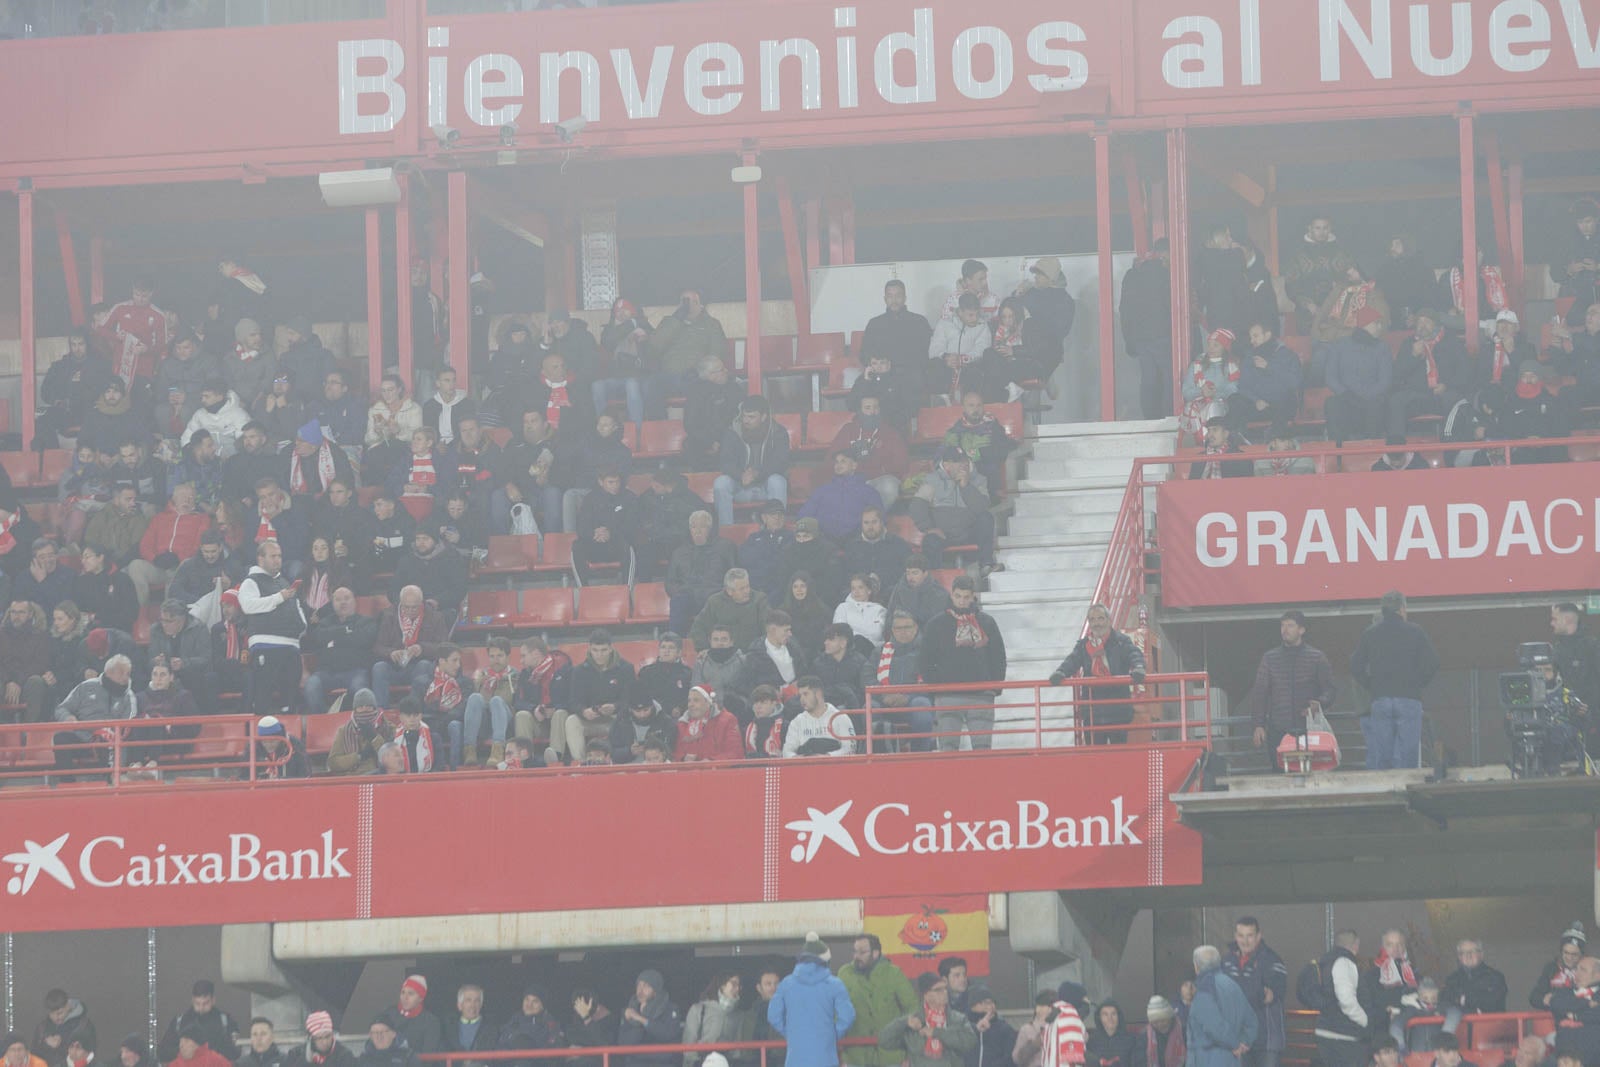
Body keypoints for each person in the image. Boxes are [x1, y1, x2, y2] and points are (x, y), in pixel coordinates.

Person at [1352, 590, 1440, 770]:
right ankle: (1408, 789)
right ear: (1402, 609)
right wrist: (1417, 684)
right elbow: (1433, 662)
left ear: (1383, 609)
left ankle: (1385, 790)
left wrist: (1371, 685)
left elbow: (1355, 666)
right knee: (1408, 754)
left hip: (1380, 699)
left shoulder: (1370, 633)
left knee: (1383, 755)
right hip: (1409, 698)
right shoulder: (1416, 631)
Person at [1237, 609, 1338, 757]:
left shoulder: (1317, 657)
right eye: (1282, 625)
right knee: (1279, 775)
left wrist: (1319, 703)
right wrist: (1258, 725)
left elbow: (1330, 690)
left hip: (1309, 728)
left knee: (1311, 774)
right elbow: (1260, 694)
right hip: (1278, 730)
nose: (1285, 630)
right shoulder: (1270, 658)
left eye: (1290, 625)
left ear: (1302, 630)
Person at [922, 577, 1006, 751]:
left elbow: (998, 657)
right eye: (958, 596)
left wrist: (994, 687)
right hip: (948, 694)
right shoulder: (936, 624)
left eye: (966, 597)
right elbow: (925, 659)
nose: (961, 601)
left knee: (982, 747)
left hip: (980, 693)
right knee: (948, 747)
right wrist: (936, 688)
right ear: (951, 594)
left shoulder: (987, 622)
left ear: (973, 596)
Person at [1048, 603, 1148, 746]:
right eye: (1093, 620)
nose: (1097, 623)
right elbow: (1072, 660)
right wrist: (1061, 672)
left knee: (1118, 760)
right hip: (1093, 712)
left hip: (1117, 711)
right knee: (1094, 760)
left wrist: (1139, 668)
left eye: (1100, 618)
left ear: (1108, 620)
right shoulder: (1084, 645)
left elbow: (1134, 654)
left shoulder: (1121, 641)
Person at [237, 540, 308, 715]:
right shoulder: (250, 581)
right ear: (260, 559)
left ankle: (290, 737)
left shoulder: (284, 582)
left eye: (280, 556)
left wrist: (302, 626)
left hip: (291, 647)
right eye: (273, 556)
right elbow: (248, 606)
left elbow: (296, 607)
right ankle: (260, 739)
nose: (278, 560)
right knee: (263, 699)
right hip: (266, 646)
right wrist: (278, 598)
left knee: (290, 701)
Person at [1387, 309, 1475, 440]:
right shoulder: (1409, 343)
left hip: (1444, 394)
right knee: (1396, 401)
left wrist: (1447, 385)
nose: (1422, 326)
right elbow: (1396, 375)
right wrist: (1413, 356)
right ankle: (1397, 450)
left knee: (1459, 402)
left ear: (1436, 324)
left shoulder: (1451, 342)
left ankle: (1450, 449)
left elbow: (1465, 372)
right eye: (1419, 322)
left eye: (1427, 322)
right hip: (1417, 396)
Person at [553, 629, 634, 766]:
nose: (599, 654)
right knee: (572, 720)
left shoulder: (626, 668)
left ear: (610, 649)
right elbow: (573, 701)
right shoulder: (579, 671)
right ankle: (580, 762)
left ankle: (615, 760)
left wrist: (615, 707)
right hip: (590, 719)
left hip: (616, 719)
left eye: (603, 650)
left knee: (628, 718)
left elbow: (631, 699)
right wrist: (583, 711)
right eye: (595, 650)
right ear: (589, 649)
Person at [909, 447, 995, 572]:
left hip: (969, 532)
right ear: (946, 465)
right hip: (944, 534)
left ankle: (986, 565)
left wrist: (966, 487)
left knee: (986, 518)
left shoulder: (979, 479)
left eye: (965, 460)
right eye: (958, 462)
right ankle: (933, 580)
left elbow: (981, 508)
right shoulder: (932, 480)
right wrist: (929, 528)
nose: (963, 464)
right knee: (930, 540)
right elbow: (917, 506)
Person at [647, 288, 728, 419]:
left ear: (700, 305)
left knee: (701, 390)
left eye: (692, 302)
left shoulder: (711, 324)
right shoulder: (668, 322)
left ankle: (697, 429)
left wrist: (702, 372)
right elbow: (653, 349)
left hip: (696, 376)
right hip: (669, 376)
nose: (688, 305)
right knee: (651, 385)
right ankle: (658, 428)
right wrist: (675, 321)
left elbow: (717, 353)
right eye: (684, 302)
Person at [838, 934, 915, 1067]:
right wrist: (842, 1056)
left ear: (875, 953)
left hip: (891, 1057)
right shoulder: (844, 974)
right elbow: (836, 1014)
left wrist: (909, 1055)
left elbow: (913, 1010)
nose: (857, 956)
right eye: (855, 951)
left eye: (862, 952)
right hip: (855, 1058)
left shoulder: (894, 973)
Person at [714, 396, 792, 527]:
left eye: (751, 417)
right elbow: (725, 462)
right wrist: (741, 475)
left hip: (766, 487)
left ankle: (776, 529)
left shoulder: (778, 432)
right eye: (744, 416)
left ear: (763, 417)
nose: (746, 421)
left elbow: (780, 462)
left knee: (778, 481)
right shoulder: (732, 431)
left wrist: (757, 474)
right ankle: (726, 530)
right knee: (720, 483)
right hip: (741, 486)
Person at [1223, 918, 1287, 1067]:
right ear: (1235, 936)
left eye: (1250, 935)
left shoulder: (1272, 960)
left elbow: (1266, 995)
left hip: (1266, 1042)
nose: (1245, 941)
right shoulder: (1226, 961)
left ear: (1259, 936)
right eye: (1241, 935)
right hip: (1236, 1039)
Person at [371, 586, 449, 707]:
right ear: (400, 604)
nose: (410, 610)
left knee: (424, 665)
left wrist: (422, 648)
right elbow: (377, 647)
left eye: (415, 607)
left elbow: (444, 648)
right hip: (394, 666)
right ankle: (380, 713)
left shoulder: (435, 617)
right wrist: (391, 653)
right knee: (379, 668)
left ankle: (413, 711)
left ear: (421, 603)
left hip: (419, 666)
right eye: (406, 607)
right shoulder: (388, 616)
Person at [1323, 306, 1391, 445]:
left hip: (1372, 400)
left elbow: (1385, 380)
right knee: (1332, 404)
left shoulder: (1382, 347)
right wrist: (1345, 394)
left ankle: (1373, 448)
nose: (1379, 327)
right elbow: (1330, 377)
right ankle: (1338, 452)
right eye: (1376, 323)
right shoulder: (1339, 346)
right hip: (1346, 399)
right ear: (1365, 324)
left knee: (1378, 404)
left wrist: (1368, 395)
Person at [878, 972, 976, 1067]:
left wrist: (937, 1032)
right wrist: (904, 1023)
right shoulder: (914, 1020)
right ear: (926, 995)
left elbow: (970, 1043)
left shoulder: (958, 1019)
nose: (945, 992)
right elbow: (884, 1041)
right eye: (938, 990)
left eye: (945, 988)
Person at [667, 511, 738, 635]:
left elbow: (735, 574)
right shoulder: (679, 552)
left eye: (703, 526)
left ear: (710, 529)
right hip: (688, 595)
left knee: (718, 602)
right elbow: (670, 581)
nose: (698, 531)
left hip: (715, 595)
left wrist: (724, 592)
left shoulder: (725, 546)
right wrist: (679, 592)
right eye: (694, 527)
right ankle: (675, 642)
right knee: (678, 601)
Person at [1189, 944, 1259, 1067]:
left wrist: (1235, 1044)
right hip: (1233, 1060)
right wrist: (1244, 1042)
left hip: (1207, 1059)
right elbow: (1252, 1022)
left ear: (1196, 966)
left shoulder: (1205, 988)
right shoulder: (1232, 985)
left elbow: (1215, 1025)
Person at [941, 392, 1016, 498]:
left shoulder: (993, 427)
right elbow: (945, 457)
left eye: (979, 405)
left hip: (989, 483)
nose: (975, 409)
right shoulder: (955, 431)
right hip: (961, 482)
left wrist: (979, 453)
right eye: (971, 405)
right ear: (964, 408)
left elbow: (1001, 452)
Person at [512, 636, 573, 761]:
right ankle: (525, 759)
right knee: (522, 715)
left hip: (561, 722)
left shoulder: (564, 669)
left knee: (560, 714)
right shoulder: (525, 674)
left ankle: (555, 757)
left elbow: (574, 698)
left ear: (536, 654)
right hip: (539, 722)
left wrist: (554, 708)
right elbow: (518, 702)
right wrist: (535, 709)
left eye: (523, 656)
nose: (521, 661)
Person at [1234, 321, 1302, 431]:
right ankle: (1238, 441)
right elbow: (1242, 386)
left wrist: (1269, 367)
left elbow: (1295, 383)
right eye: (1250, 337)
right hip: (1257, 405)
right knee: (1236, 401)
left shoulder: (1287, 355)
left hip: (1281, 404)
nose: (1252, 341)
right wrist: (1256, 400)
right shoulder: (1249, 358)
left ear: (1267, 335)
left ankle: (1277, 440)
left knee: (1285, 400)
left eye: (1255, 336)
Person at [862, 280, 935, 379]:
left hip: (912, 377)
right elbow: (864, 353)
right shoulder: (875, 324)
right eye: (890, 296)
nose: (894, 300)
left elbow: (926, 353)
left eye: (898, 296)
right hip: (882, 376)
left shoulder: (919, 322)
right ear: (885, 299)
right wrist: (877, 366)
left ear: (905, 298)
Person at [928, 294, 993, 403]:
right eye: (970, 315)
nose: (975, 318)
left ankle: (970, 405)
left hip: (970, 366)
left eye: (977, 314)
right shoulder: (945, 323)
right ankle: (941, 403)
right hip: (947, 365)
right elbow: (934, 349)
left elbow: (983, 349)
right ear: (960, 312)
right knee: (934, 365)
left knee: (975, 372)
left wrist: (964, 359)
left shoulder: (982, 325)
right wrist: (946, 357)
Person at [1181, 330, 1242, 443]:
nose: (1211, 348)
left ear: (1224, 348)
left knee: (1213, 405)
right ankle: (1202, 442)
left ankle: (1211, 443)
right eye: (1209, 344)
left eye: (1216, 345)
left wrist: (1214, 394)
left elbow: (1233, 390)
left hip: (1222, 407)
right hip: (1198, 406)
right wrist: (1201, 392)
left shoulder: (1231, 366)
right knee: (1191, 408)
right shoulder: (1196, 365)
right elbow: (1186, 392)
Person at [690, 568, 770, 652]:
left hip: (752, 656)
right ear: (729, 591)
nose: (747, 591)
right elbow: (698, 628)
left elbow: (768, 629)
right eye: (742, 589)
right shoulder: (715, 602)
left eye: (747, 586)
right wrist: (704, 649)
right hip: (722, 656)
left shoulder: (759, 600)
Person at [0, 600, 53, 725]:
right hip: (3, 681)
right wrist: (8, 681)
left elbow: (40, 664)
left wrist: (18, 681)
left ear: (30, 614)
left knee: (36, 681)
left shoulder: (40, 636)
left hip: (26, 682)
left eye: (21, 612)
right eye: (13, 612)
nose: (16, 616)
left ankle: (28, 730)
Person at [156, 984, 238, 1065]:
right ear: (192, 1000)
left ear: (213, 1000)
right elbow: (162, 1052)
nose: (201, 1008)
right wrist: (185, 1050)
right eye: (197, 1003)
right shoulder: (180, 1022)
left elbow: (235, 1052)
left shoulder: (225, 1022)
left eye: (205, 1003)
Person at [617, 969, 684, 1067]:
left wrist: (642, 1019)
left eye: (646, 986)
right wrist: (638, 1019)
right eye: (638, 985)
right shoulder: (630, 1011)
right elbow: (623, 1043)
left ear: (656, 990)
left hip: (663, 1063)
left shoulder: (670, 1009)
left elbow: (667, 1035)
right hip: (635, 1063)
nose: (640, 991)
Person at [1439, 940, 1507, 1033]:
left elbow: (1493, 1002)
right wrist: (1473, 1004)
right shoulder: (1452, 979)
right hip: (1460, 1033)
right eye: (1463, 953)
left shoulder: (1494, 976)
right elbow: (1444, 1002)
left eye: (1472, 952)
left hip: (1489, 1030)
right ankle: (1445, 1043)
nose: (1468, 955)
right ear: (1459, 957)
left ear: (1481, 954)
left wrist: (1464, 1000)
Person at [682, 974, 748, 1066]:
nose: (737, 989)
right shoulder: (698, 1009)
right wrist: (697, 1062)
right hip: (700, 1061)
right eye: (734, 984)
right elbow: (688, 1043)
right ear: (721, 985)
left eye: (739, 986)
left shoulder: (738, 1015)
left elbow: (737, 1049)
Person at [783, 676, 856, 757]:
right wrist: (799, 758)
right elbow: (787, 751)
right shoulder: (796, 722)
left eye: (805, 694)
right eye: (800, 695)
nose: (802, 699)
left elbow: (850, 749)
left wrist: (827, 756)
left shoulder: (840, 718)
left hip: (835, 767)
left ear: (818, 694)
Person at [326, 689, 391, 775]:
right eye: (360, 707)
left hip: (380, 776)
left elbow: (393, 758)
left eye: (368, 706)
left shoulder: (387, 726)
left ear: (374, 707)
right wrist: (359, 756)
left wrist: (375, 738)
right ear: (355, 709)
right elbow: (333, 762)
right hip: (353, 777)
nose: (364, 709)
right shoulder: (344, 731)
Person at [1549, 957, 1600, 1063]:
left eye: (1583, 970)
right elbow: (1556, 1004)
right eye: (1576, 969)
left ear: (1597, 975)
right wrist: (1587, 1003)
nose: (1577, 973)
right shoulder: (1564, 992)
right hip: (1564, 1053)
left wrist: (1575, 1015)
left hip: (1594, 1053)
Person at [675, 685, 743, 763]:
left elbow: (735, 753)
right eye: (689, 700)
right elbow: (675, 753)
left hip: (718, 773)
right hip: (689, 773)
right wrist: (683, 758)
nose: (691, 704)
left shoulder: (727, 720)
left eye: (696, 700)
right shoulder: (683, 724)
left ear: (708, 702)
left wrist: (711, 761)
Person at [376, 976, 440, 1055]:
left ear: (421, 998)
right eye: (403, 992)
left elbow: (428, 1056)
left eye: (411, 993)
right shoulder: (388, 1014)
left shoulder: (430, 1021)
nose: (405, 997)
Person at [611, 691, 679, 766]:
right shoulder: (620, 722)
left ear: (652, 707)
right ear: (630, 709)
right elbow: (611, 753)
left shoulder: (666, 722)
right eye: (638, 711)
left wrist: (656, 750)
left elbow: (672, 750)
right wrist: (629, 752)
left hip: (657, 767)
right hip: (627, 769)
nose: (642, 715)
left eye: (646, 710)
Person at [1532, 922, 1588, 1011]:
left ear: (1582, 954)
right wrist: (1544, 999)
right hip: (1554, 1021)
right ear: (1561, 951)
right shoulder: (1551, 968)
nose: (1569, 958)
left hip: (1582, 1020)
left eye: (1574, 954)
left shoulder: (1589, 969)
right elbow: (1534, 997)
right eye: (1566, 953)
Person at [33, 991, 96, 1067]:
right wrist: (46, 1044)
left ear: (68, 1006)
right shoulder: (42, 1028)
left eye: (60, 1013)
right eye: (52, 1013)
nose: (56, 1017)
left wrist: (60, 1045)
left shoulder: (84, 1026)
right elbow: (34, 1056)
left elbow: (90, 1055)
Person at [887, 555, 951, 629]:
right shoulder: (899, 589)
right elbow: (890, 616)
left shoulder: (939, 594)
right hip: (901, 633)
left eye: (915, 573)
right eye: (908, 573)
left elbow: (938, 623)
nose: (910, 577)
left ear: (925, 573)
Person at [833, 579, 887, 658]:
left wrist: (854, 630)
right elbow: (839, 631)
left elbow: (877, 633)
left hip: (873, 652)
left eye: (860, 587)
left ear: (869, 591)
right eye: (853, 588)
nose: (856, 591)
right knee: (858, 640)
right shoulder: (843, 607)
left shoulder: (880, 610)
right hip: (848, 650)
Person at [943, 259, 1002, 324]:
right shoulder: (953, 300)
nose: (985, 282)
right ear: (968, 280)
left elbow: (1000, 326)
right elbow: (945, 326)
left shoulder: (993, 300)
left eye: (985, 278)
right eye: (981, 279)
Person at [283, 1014, 352, 1067]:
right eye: (319, 1038)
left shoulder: (344, 1055)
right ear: (311, 1038)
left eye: (327, 1036)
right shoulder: (296, 1056)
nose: (325, 1042)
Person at [567, 988, 615, 1061]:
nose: (578, 1008)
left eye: (581, 1003)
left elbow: (605, 1045)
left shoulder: (610, 1021)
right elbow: (573, 1039)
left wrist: (587, 1017)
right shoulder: (578, 1020)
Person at [1085, 1001, 1137, 1067]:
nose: (1110, 1018)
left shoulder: (1132, 1040)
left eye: (1113, 1014)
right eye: (1105, 1014)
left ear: (1119, 1017)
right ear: (1099, 1018)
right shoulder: (1090, 1041)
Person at [1146, 996, 1187, 1067]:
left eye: (1163, 1020)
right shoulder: (1145, 1036)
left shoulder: (1185, 1033)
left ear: (1170, 1017)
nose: (1160, 1024)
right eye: (1155, 1022)